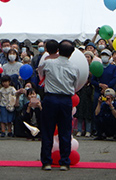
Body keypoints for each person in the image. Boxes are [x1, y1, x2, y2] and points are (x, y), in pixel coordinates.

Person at [40, 40, 78, 171]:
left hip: (50, 98)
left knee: (47, 131)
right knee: (65, 131)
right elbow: (75, 84)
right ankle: (64, 162)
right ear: (71, 54)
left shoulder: (48, 62)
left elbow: (41, 75)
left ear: (58, 51)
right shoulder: (74, 67)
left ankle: (46, 162)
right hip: (66, 100)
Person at [91, 49, 116, 134]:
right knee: (97, 109)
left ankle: (110, 131)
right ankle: (96, 130)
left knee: (110, 109)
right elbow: (93, 80)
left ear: (110, 57)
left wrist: (107, 87)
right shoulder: (98, 67)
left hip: (110, 93)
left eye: (106, 55)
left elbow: (115, 78)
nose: (104, 57)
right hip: (98, 91)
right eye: (102, 55)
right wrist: (100, 85)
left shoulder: (113, 67)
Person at [75, 51, 95, 137]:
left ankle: (88, 130)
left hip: (89, 96)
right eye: (85, 56)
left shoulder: (93, 69)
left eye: (88, 57)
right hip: (81, 94)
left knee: (88, 114)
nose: (87, 58)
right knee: (80, 114)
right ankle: (79, 130)